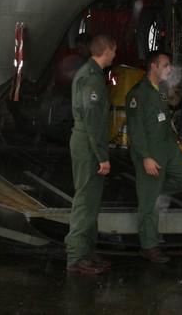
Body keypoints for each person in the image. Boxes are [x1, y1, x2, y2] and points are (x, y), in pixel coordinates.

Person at [126, 50, 182, 263]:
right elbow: (136, 130)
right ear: (154, 67)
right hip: (150, 153)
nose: (169, 69)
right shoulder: (138, 94)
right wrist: (146, 157)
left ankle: (154, 191)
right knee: (149, 206)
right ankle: (149, 247)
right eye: (166, 65)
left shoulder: (161, 91)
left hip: (168, 148)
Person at [65, 34, 116, 275]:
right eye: (114, 51)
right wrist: (102, 156)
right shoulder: (92, 79)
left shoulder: (93, 74)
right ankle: (76, 257)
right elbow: (93, 119)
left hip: (87, 141)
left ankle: (86, 252)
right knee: (85, 202)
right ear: (107, 51)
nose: (115, 55)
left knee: (91, 201)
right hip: (88, 142)